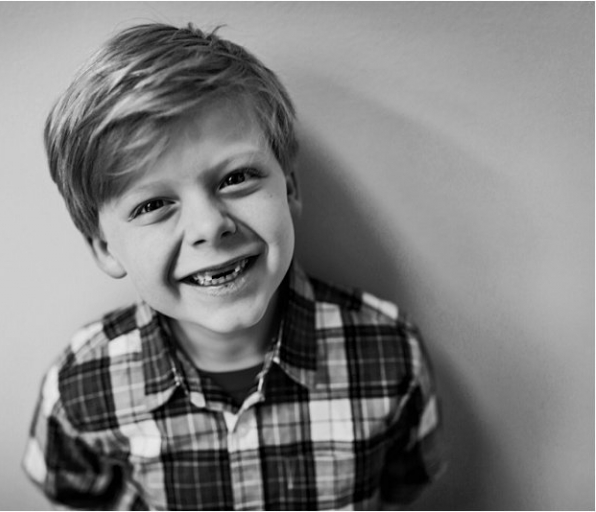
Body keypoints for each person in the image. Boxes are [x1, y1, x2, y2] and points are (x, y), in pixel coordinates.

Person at [22, 22, 443, 510]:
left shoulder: (391, 356)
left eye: (237, 178)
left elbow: (405, 487)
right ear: (105, 250)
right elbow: (77, 494)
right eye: (153, 204)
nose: (208, 226)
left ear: (290, 189)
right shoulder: (81, 384)